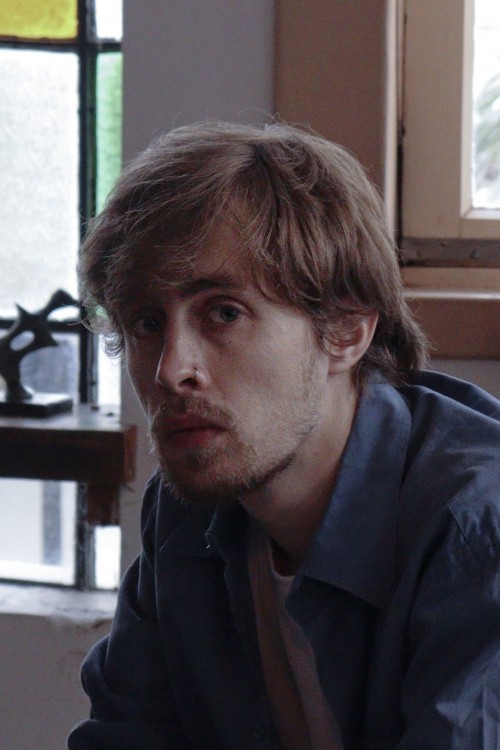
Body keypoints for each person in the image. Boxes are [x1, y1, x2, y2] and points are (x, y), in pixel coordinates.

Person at [68, 122, 500, 750]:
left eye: (223, 312)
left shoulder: (476, 527)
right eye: (145, 322)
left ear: (347, 331)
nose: (170, 369)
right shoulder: (187, 508)